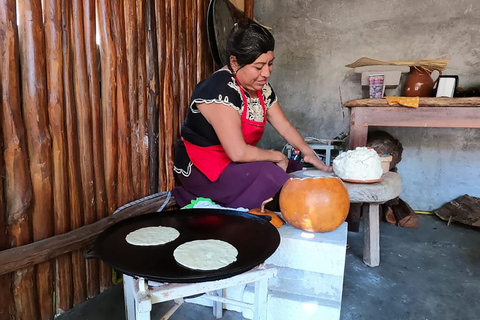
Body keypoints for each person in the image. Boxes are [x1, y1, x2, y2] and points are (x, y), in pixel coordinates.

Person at [172, 19, 332, 209]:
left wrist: (308, 153)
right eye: (258, 67)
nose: (266, 73)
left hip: (233, 162)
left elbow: (285, 126)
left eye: (270, 64)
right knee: (270, 174)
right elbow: (238, 152)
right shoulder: (219, 90)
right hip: (204, 169)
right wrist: (275, 156)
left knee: (294, 167)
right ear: (234, 61)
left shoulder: (261, 87)